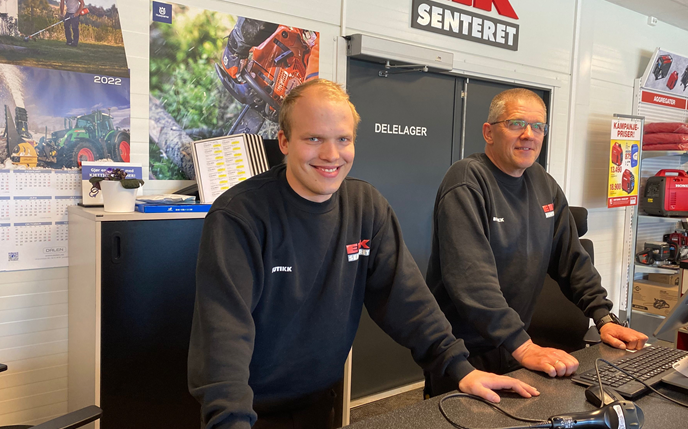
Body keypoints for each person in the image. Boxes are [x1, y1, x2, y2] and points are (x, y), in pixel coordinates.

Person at [188, 79, 539, 429]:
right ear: (284, 141)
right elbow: (223, 335)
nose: (331, 155)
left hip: (318, 403)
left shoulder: (365, 207)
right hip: (246, 412)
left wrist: (461, 369)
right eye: (314, 139)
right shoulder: (240, 215)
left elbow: (408, 302)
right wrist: (230, 421)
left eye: (343, 139)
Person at [424, 88, 649, 397]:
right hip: (465, 353)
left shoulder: (543, 184)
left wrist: (604, 317)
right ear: (489, 132)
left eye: (538, 126)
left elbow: (572, 260)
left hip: (513, 344)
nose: (529, 135)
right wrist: (523, 345)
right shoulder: (467, 181)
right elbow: (471, 278)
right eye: (516, 123)